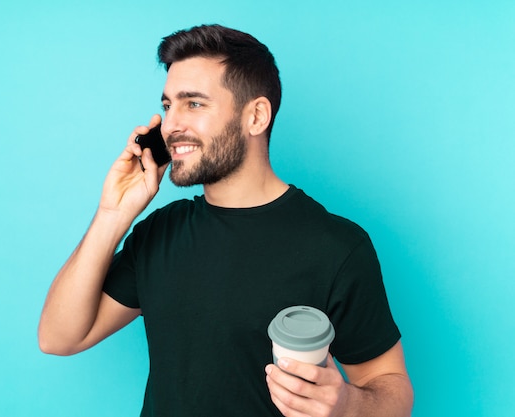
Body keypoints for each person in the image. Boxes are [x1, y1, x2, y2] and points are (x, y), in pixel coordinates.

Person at [38, 24, 414, 417]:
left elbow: (392, 391)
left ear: (256, 116)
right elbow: (59, 337)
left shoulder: (337, 247)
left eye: (194, 104)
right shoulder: (160, 231)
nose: (170, 125)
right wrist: (113, 214)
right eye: (168, 106)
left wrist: (348, 405)